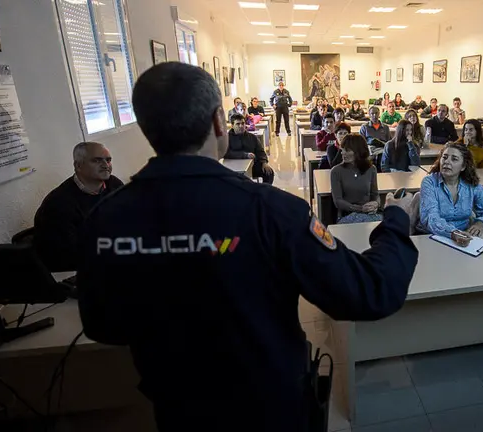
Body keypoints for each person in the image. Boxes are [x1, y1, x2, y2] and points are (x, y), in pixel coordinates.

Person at [77, 62, 419, 432]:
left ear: (146, 129)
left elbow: (102, 324)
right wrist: (396, 221)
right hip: (270, 405)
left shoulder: (105, 219)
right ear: (219, 122)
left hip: (179, 406)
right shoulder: (272, 210)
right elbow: (370, 292)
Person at [33, 142, 124, 271]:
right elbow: (68, 254)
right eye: (97, 160)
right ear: (78, 166)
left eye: (108, 160)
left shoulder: (113, 184)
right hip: (73, 269)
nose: (105, 165)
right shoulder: (58, 203)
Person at [419, 143, 483, 240]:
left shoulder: (471, 185)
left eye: (454, 159)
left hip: (465, 236)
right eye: (444, 157)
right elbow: (431, 219)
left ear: (463, 166)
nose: (447, 162)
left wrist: (482, 223)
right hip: (432, 236)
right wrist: (453, 233)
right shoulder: (429, 182)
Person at [331, 134, 381, 224]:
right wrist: (360, 209)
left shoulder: (371, 169)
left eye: (347, 150)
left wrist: (376, 203)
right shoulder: (336, 171)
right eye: (342, 150)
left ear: (358, 152)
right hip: (347, 215)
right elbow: (338, 201)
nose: (342, 153)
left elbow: (375, 194)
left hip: (368, 214)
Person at [226, 114, 274, 184]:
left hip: (252, 166)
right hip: (233, 168)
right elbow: (226, 153)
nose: (241, 126)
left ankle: (263, 193)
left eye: (243, 123)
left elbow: (260, 151)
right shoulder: (227, 138)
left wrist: (264, 162)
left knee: (269, 173)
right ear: (232, 126)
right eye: (238, 124)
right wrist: (245, 155)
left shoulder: (252, 137)